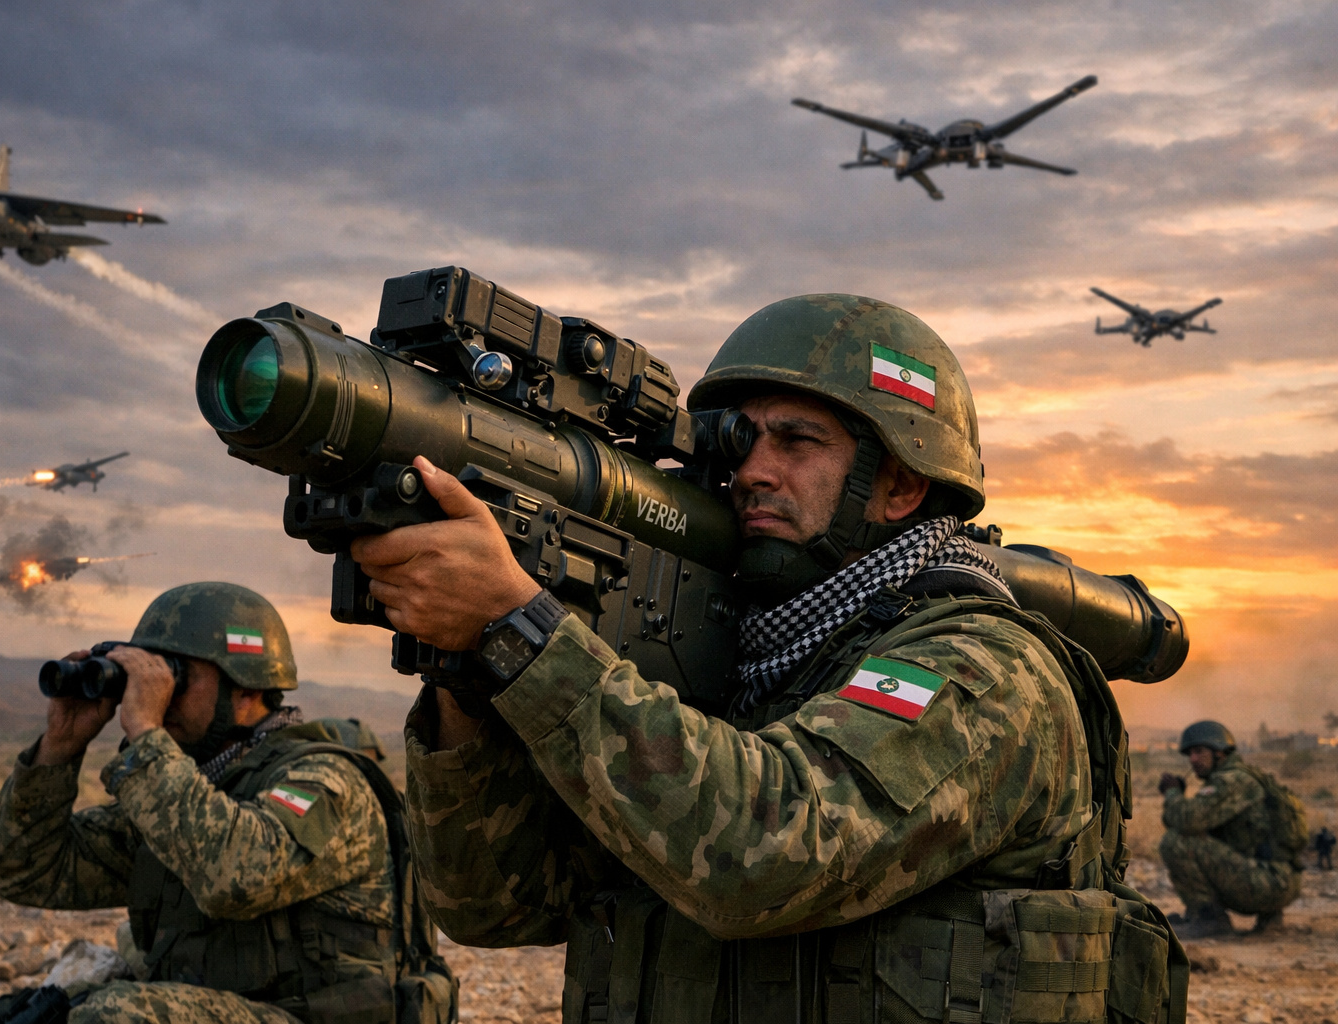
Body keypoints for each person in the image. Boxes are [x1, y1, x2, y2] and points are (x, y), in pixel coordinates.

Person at [355, 294, 1180, 1023]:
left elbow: (768, 852)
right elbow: (495, 907)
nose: (752, 471)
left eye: (796, 441)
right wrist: (469, 669)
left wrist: (522, 632)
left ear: (899, 485)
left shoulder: (983, 667)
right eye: (741, 442)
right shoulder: (732, 670)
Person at [0, 582, 421, 1024]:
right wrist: (59, 747)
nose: (155, 694)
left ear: (245, 690)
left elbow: (235, 877)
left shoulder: (324, 780)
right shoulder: (190, 789)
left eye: (173, 677)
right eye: (147, 678)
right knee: (33, 1014)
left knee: (117, 1015)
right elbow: (20, 870)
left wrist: (147, 738)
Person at [1159, 720, 1304, 938]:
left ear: (1220, 752)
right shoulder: (1245, 775)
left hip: (1268, 884)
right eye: (1190, 754)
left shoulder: (1230, 781)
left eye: (1199, 751)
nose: (1193, 759)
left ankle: (1209, 920)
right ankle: (1269, 918)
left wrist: (1172, 794)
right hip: (1277, 880)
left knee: (1174, 842)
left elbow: (1187, 821)